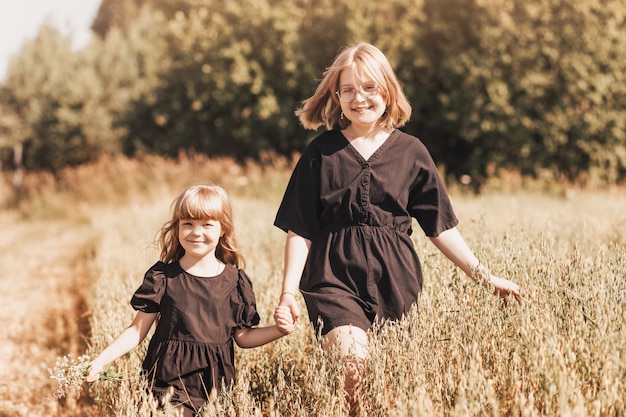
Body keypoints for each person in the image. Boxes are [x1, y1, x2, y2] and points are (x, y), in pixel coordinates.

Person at [273, 42, 520, 414]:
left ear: (387, 91)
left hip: (397, 282)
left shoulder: (412, 152)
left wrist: (485, 277)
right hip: (332, 279)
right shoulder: (319, 154)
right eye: (349, 90)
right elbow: (300, 229)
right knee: (352, 364)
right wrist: (288, 293)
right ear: (337, 96)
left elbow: (439, 227)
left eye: (369, 87)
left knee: (389, 386)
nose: (359, 98)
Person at [86, 184, 294, 417]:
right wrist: (101, 360)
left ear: (222, 229)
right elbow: (136, 331)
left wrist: (279, 330)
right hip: (166, 381)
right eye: (188, 224)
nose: (196, 232)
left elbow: (243, 337)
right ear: (177, 228)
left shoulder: (235, 282)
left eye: (206, 224)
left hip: (214, 385)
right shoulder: (163, 277)